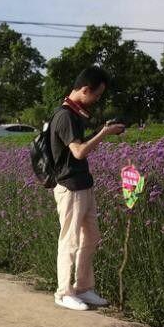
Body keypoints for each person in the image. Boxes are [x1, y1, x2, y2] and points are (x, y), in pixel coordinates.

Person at [50, 66, 126, 311]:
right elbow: (79, 151)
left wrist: (101, 131)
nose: (97, 99)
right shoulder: (65, 116)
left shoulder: (75, 114)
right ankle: (63, 293)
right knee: (69, 240)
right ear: (85, 90)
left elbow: (80, 146)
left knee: (91, 237)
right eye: (97, 95)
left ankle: (83, 287)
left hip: (84, 184)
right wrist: (104, 133)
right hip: (70, 187)